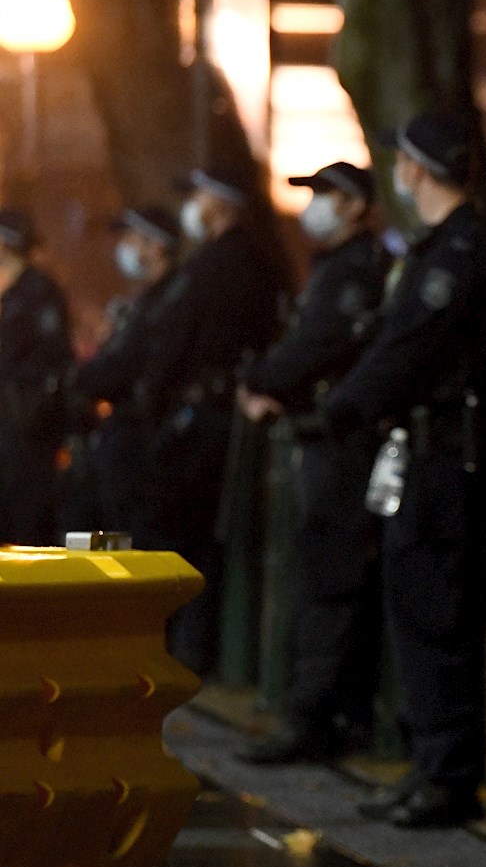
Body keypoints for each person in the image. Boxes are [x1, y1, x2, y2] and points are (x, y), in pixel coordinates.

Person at [298, 115, 486, 827]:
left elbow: (408, 347)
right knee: (416, 604)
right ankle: (430, 763)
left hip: (450, 453)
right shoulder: (439, 248)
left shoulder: (460, 250)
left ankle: (447, 773)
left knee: (439, 605)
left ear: (419, 169)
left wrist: (344, 407)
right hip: (424, 448)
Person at [237, 162, 391, 764]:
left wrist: (264, 380)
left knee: (328, 575)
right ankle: (329, 711)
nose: (315, 206)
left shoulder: (354, 271)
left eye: (328, 195)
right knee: (323, 571)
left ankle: (314, 717)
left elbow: (319, 341)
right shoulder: (337, 267)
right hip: (328, 437)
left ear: (356, 206)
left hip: (341, 441)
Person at [147, 169, 291, 671]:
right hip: (225, 412)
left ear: (221, 203)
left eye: (201, 197)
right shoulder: (261, 262)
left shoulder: (212, 265)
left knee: (183, 531)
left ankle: (187, 646)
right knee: (210, 536)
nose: (194, 206)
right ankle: (200, 646)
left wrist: (155, 397)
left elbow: (173, 340)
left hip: (201, 418)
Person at [66, 207, 181, 539]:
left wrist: (82, 378)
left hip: (139, 438)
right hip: (126, 434)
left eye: (132, 238)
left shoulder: (167, 302)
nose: (124, 247)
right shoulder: (144, 300)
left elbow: (123, 366)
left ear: (155, 246)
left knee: (129, 530)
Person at [0, 209, 74, 546]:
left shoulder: (37, 293)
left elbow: (51, 360)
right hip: (11, 431)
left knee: (26, 527)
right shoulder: (13, 294)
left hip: (27, 432)